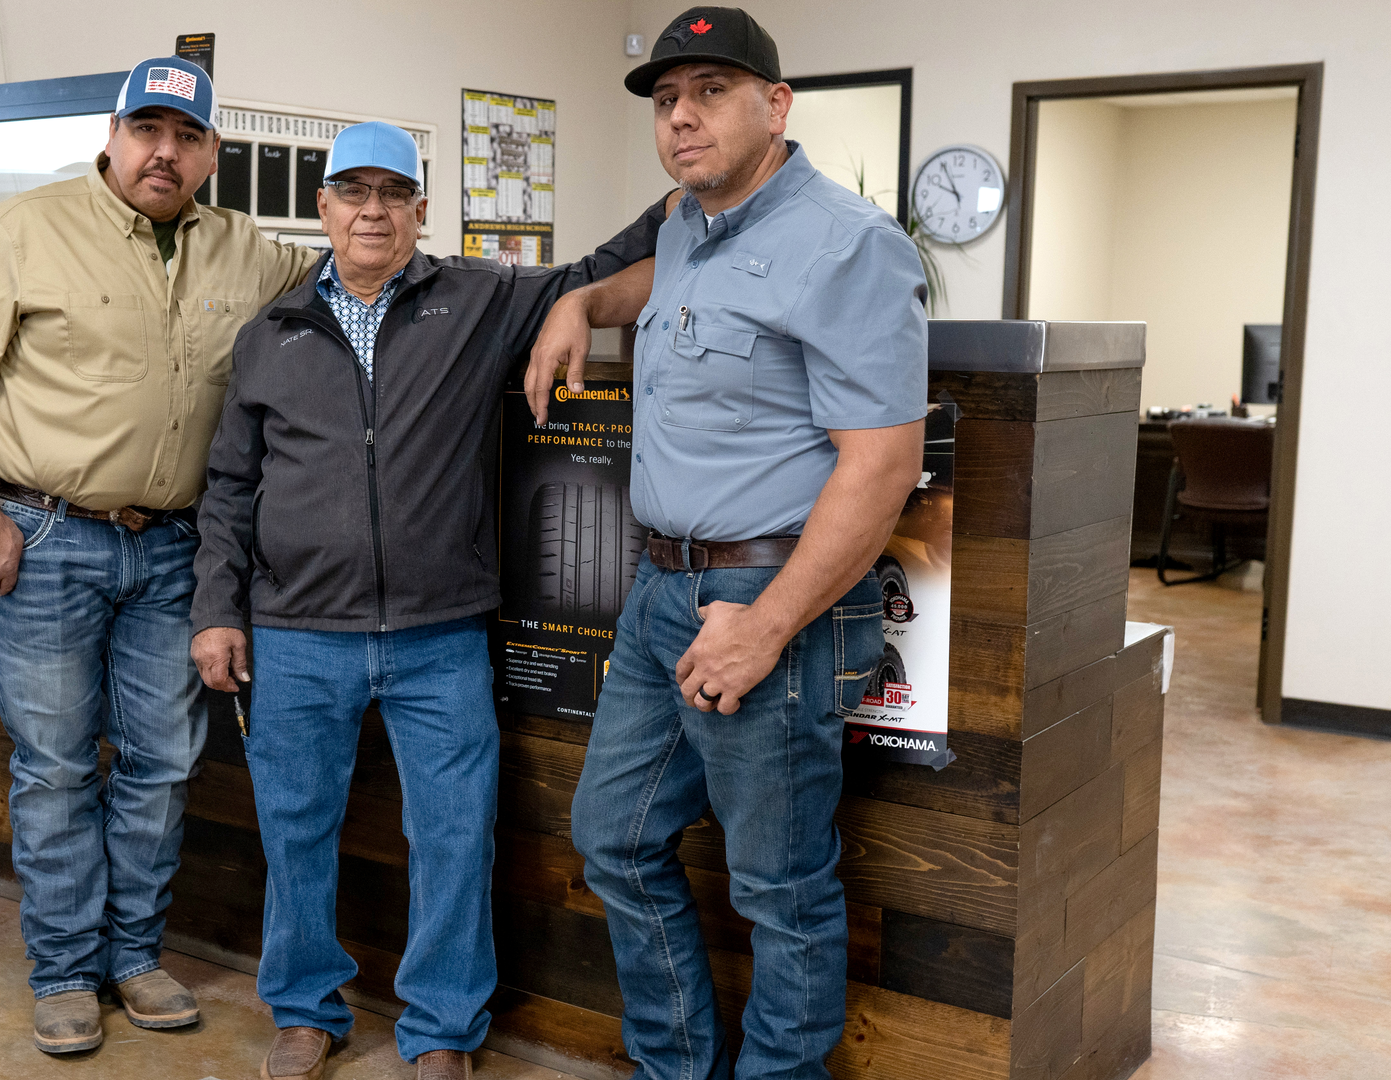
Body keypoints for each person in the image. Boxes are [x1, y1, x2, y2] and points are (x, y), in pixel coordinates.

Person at [189, 121, 668, 1080]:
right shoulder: (272, 333)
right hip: (294, 634)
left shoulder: (481, 301)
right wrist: (216, 609)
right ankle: (303, 1008)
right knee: (295, 828)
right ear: (322, 209)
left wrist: (692, 187)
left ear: (420, 210)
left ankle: (443, 1029)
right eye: (352, 193)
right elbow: (230, 487)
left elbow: (606, 263)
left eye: (391, 195)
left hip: (440, 635)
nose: (371, 212)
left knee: (454, 834)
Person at [0, 55, 318, 1055]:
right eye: (148, 131)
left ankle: (132, 954)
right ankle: (62, 972)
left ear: (214, 153)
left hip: (175, 548)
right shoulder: (24, 230)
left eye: (186, 138)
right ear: (113, 133)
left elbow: (353, 281)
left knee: (162, 764)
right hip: (43, 539)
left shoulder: (248, 254)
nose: (163, 153)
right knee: (54, 769)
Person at [551, 8, 929, 1079]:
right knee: (615, 839)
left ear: (776, 105)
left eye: (711, 91)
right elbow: (658, 288)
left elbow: (881, 467)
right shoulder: (687, 223)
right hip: (661, 587)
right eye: (668, 101)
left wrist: (765, 624)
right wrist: (580, 298)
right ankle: (676, 1067)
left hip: (776, 601)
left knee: (779, 887)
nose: (682, 117)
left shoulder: (850, 244)